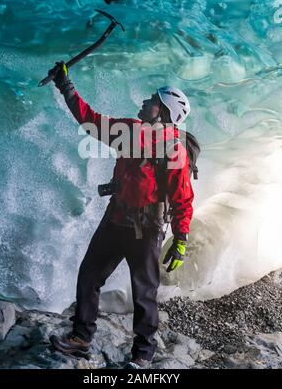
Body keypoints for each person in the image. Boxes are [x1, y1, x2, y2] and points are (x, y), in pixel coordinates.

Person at [51, 62, 194, 369]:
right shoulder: (133, 132)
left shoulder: (165, 146)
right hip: (117, 219)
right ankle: (81, 339)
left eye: (154, 100)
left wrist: (182, 238)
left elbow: (182, 198)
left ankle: (142, 356)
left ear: (165, 111)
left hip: (146, 228)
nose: (146, 102)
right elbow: (91, 121)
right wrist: (66, 86)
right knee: (92, 275)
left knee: (143, 293)